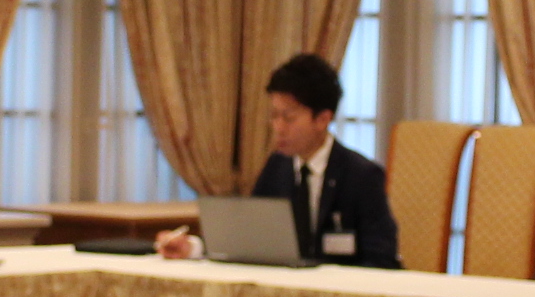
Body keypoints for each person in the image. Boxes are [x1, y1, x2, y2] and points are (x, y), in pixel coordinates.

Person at [156, 53, 401, 268]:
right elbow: (247, 238)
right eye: (274, 116)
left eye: (289, 117)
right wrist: (193, 247)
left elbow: (381, 258)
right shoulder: (277, 168)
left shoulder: (361, 176)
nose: (278, 127)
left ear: (323, 119)